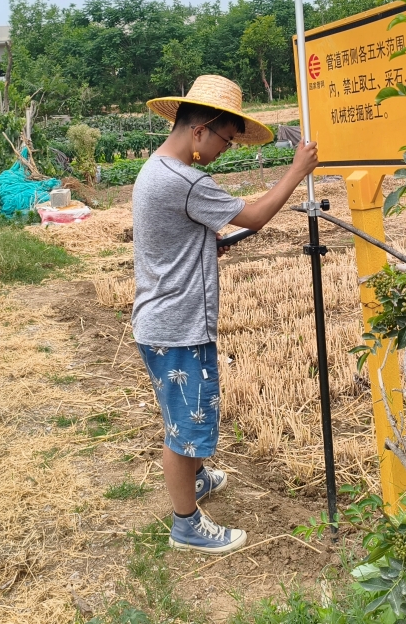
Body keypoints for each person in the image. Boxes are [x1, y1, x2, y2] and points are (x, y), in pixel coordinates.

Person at [131, 74, 318, 555]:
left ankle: (193, 481)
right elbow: (254, 216)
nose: (223, 151)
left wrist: (203, 244)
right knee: (184, 428)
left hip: (160, 316)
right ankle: (186, 523)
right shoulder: (184, 179)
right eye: (224, 140)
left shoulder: (154, 169)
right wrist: (296, 171)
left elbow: (174, 235)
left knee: (183, 415)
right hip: (178, 324)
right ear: (199, 130)